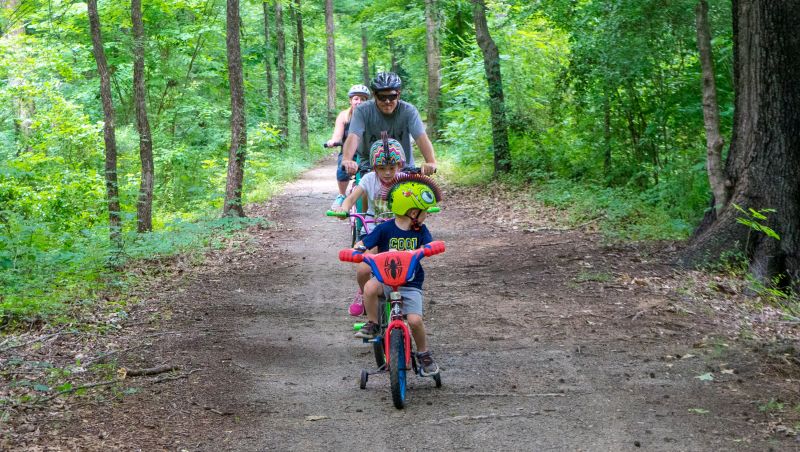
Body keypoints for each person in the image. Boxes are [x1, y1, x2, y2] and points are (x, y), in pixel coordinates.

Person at [353, 174, 443, 376]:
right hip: (386, 279)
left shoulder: (421, 230)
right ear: (412, 211)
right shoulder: (385, 228)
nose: (425, 215)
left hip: (410, 284)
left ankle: (423, 353)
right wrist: (358, 249)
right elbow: (365, 243)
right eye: (423, 212)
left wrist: (429, 248)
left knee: (414, 321)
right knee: (369, 287)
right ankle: (374, 324)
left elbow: (428, 244)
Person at [334, 138, 407, 316]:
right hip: (374, 233)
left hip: (400, 234)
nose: (388, 173)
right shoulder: (369, 179)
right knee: (363, 269)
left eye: (392, 168)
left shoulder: (406, 181)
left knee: (407, 269)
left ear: (400, 165)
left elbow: (420, 199)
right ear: (375, 168)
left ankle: (407, 297)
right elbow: (351, 199)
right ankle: (363, 292)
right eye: (382, 168)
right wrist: (343, 208)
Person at [341, 72, 437, 177]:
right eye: (382, 97)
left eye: (392, 96)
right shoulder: (362, 111)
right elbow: (354, 136)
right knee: (363, 191)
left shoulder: (408, 111)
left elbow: (420, 137)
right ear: (374, 95)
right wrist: (347, 160)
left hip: (403, 168)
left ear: (398, 95)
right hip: (370, 168)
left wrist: (430, 161)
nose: (387, 101)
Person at [327, 84, 370, 208]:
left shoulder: (371, 116)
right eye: (356, 98)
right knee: (343, 168)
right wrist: (333, 141)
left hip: (367, 152)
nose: (359, 102)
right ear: (351, 100)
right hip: (349, 152)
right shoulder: (344, 116)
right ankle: (341, 195)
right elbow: (338, 135)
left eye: (363, 99)